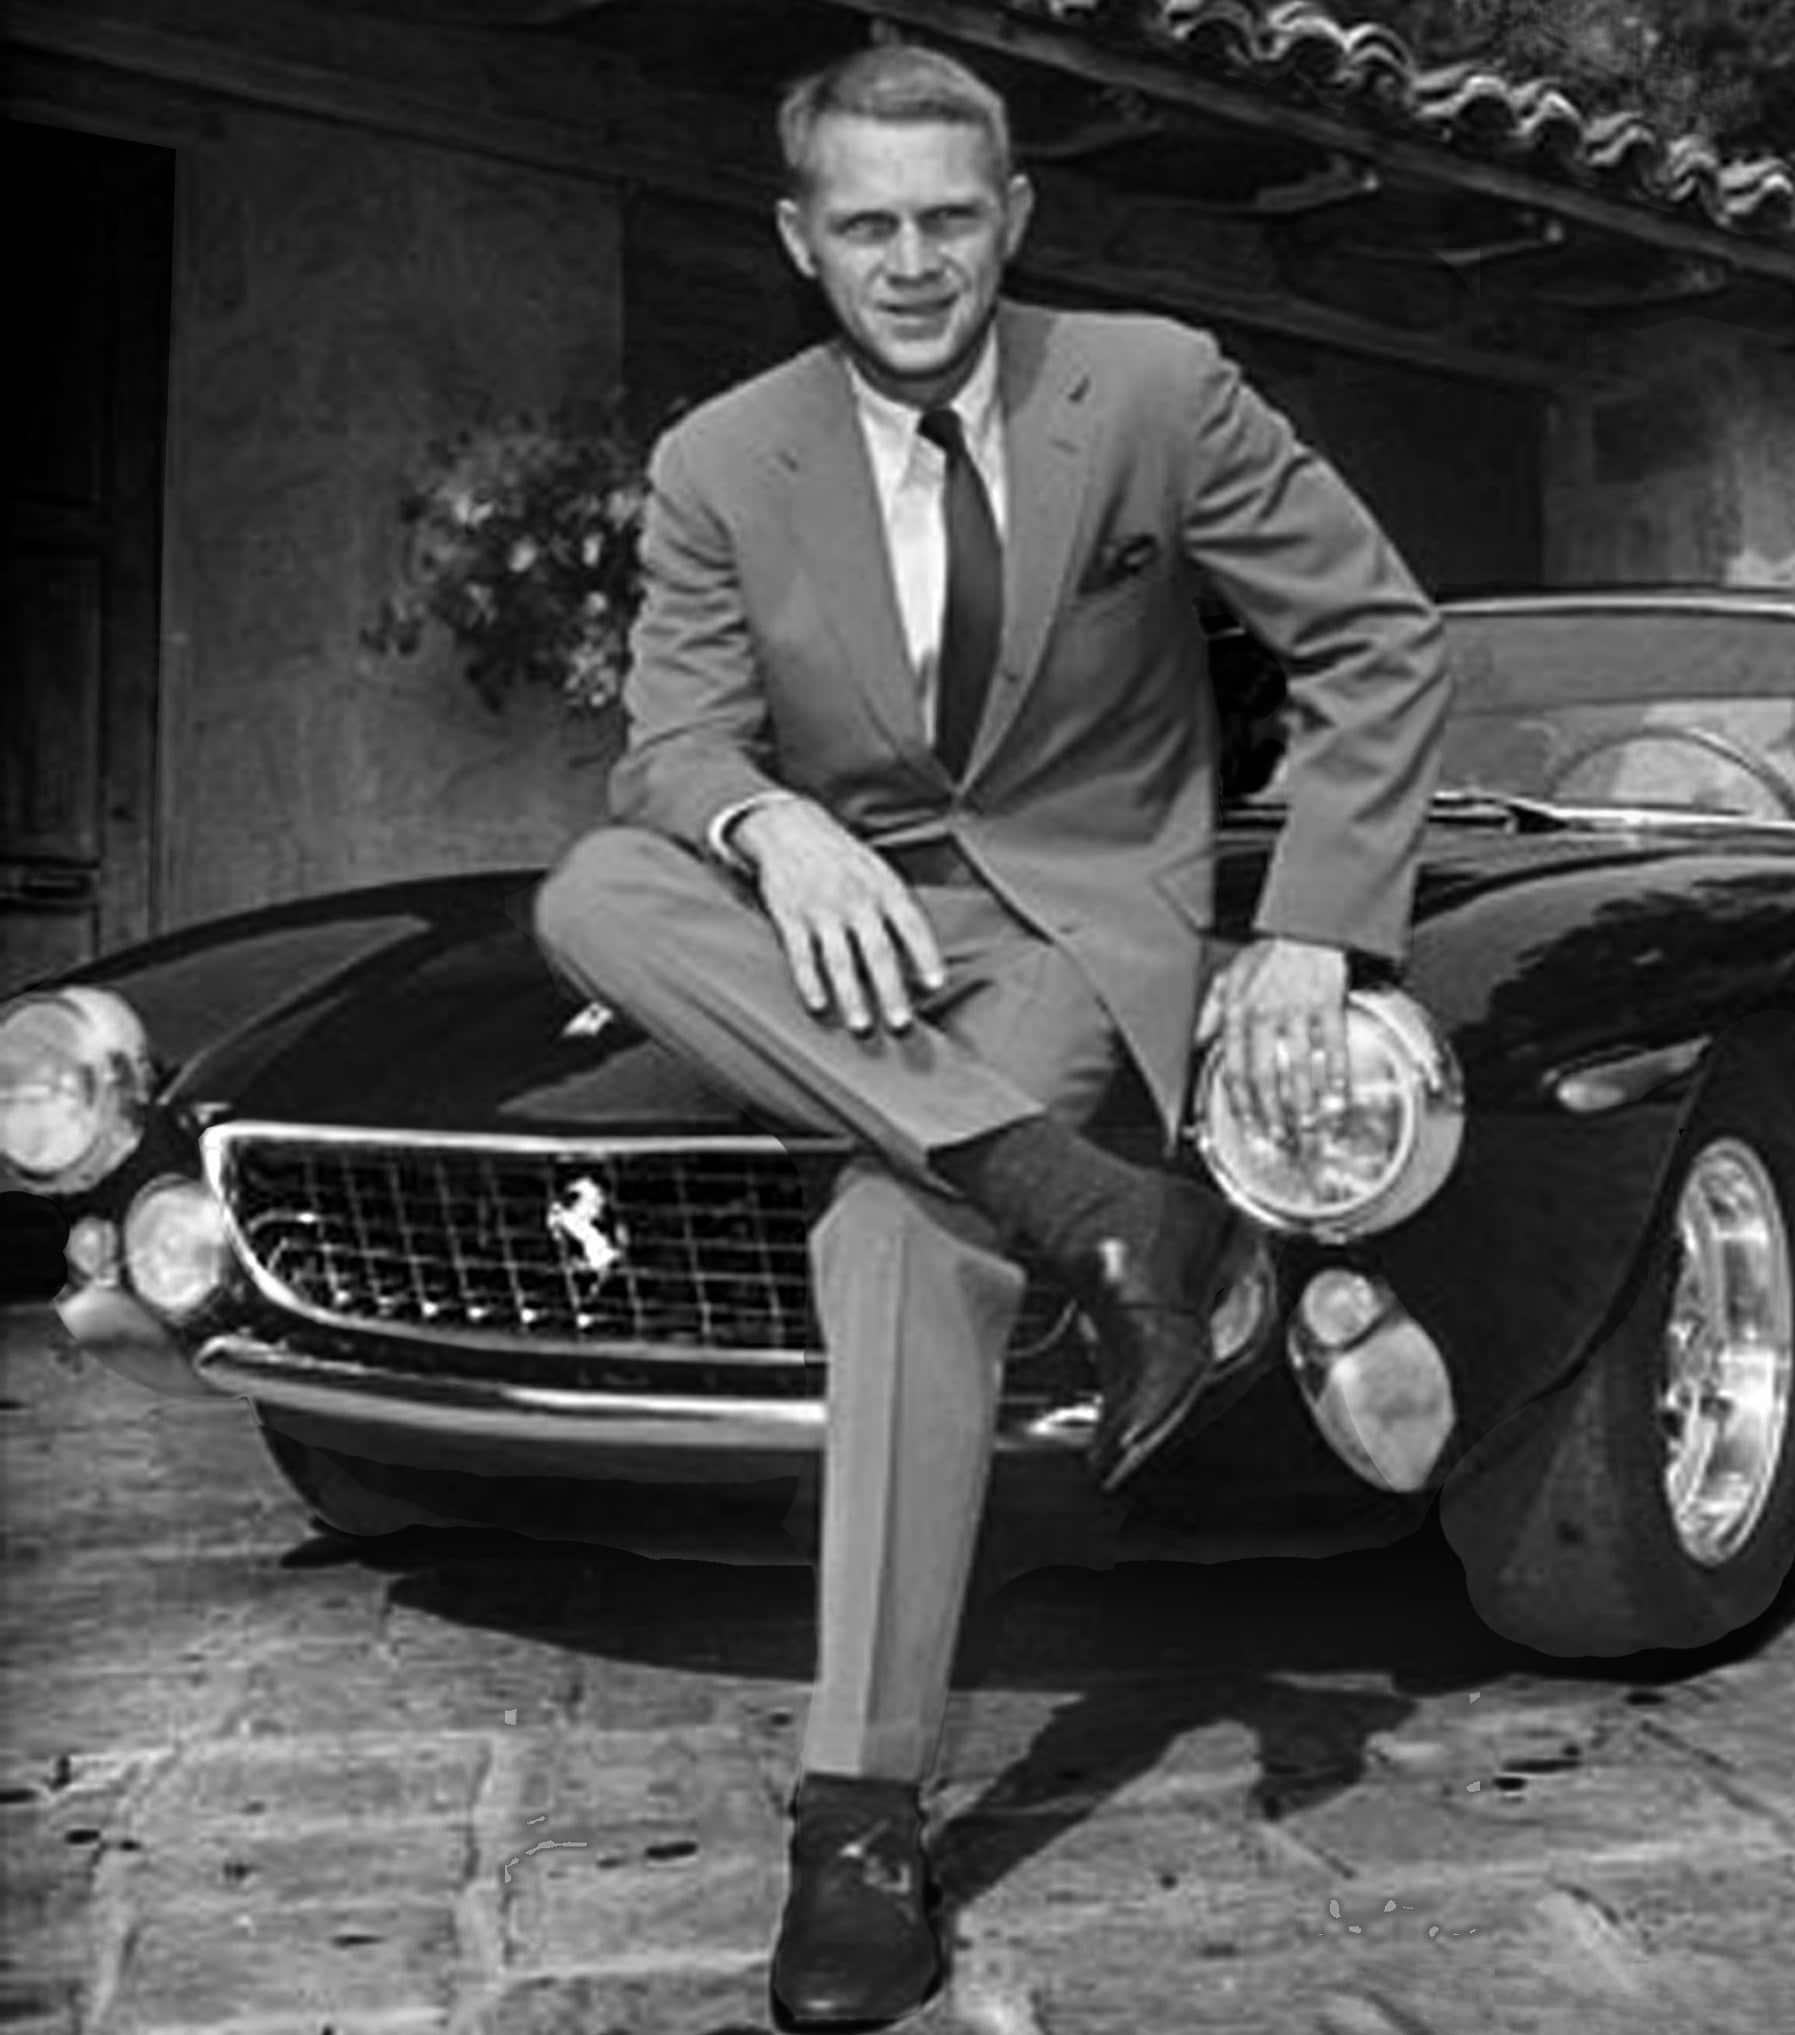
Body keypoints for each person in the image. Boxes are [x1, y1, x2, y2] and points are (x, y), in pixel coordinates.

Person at [533, 39, 1451, 2030]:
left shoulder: (1153, 387)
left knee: (902, 1234)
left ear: (1013, 216)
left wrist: (1316, 932)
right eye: (867, 224)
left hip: (1068, 927)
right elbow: (672, 746)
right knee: (595, 885)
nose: (913, 261)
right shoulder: (720, 460)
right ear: (802, 239)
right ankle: (1111, 1219)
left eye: (951, 218)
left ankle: (857, 1818)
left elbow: (1376, 638)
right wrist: (771, 831)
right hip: (835, 935)